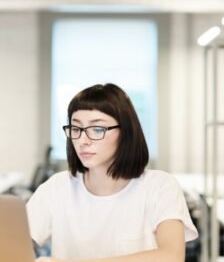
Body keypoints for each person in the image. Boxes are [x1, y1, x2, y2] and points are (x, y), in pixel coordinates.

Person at [27, 83, 198, 262]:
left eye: (97, 129)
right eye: (76, 129)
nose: (83, 140)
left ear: (126, 133)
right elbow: (12, 243)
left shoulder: (160, 186)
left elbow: (172, 256)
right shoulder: (57, 187)